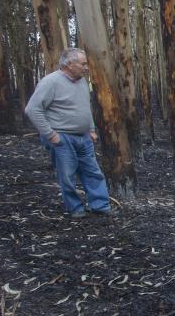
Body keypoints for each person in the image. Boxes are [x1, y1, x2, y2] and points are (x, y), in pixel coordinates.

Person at [25, 48, 111, 218]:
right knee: (67, 176)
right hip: (62, 137)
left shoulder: (81, 82)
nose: (87, 67)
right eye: (83, 63)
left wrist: (91, 129)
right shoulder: (50, 82)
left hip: (83, 137)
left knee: (93, 172)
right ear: (69, 64)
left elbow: (85, 108)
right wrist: (51, 135)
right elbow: (32, 109)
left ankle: (100, 206)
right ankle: (75, 208)